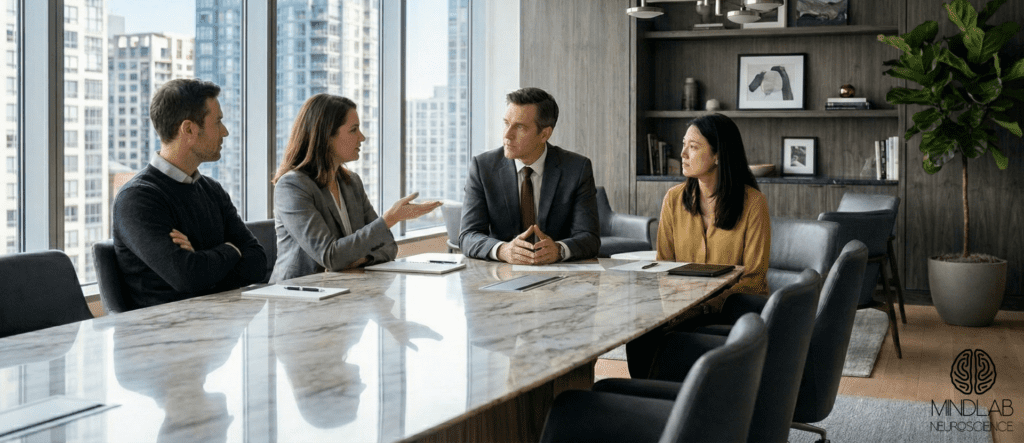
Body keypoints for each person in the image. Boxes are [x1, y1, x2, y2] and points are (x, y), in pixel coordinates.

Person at [626, 113, 770, 378]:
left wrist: (703, 306)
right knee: (638, 329)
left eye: (693, 147)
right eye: (684, 145)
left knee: (667, 338)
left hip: (731, 309)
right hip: (682, 306)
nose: (682, 154)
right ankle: (651, 400)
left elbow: (754, 280)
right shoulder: (674, 199)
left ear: (718, 155)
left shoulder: (753, 204)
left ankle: (678, 404)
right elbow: (664, 266)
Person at [112, 79, 267, 309]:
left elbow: (258, 262)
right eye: (218, 122)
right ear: (189, 130)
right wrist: (231, 250)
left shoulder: (212, 190)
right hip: (163, 337)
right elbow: (188, 277)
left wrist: (202, 259)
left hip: (216, 326)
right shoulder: (137, 199)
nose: (225, 132)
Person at [270, 94, 441, 282]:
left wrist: (363, 259)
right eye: (353, 130)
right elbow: (330, 256)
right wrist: (390, 218)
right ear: (326, 136)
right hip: (295, 298)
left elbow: (389, 247)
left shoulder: (352, 182)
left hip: (342, 293)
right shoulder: (292, 186)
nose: (362, 137)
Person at [460, 87, 600, 264]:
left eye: (519, 127)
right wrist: (503, 250)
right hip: (501, 276)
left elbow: (590, 238)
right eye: (506, 123)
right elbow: (468, 236)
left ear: (544, 134)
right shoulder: (483, 168)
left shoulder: (577, 169)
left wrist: (559, 250)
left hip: (559, 277)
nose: (507, 135)